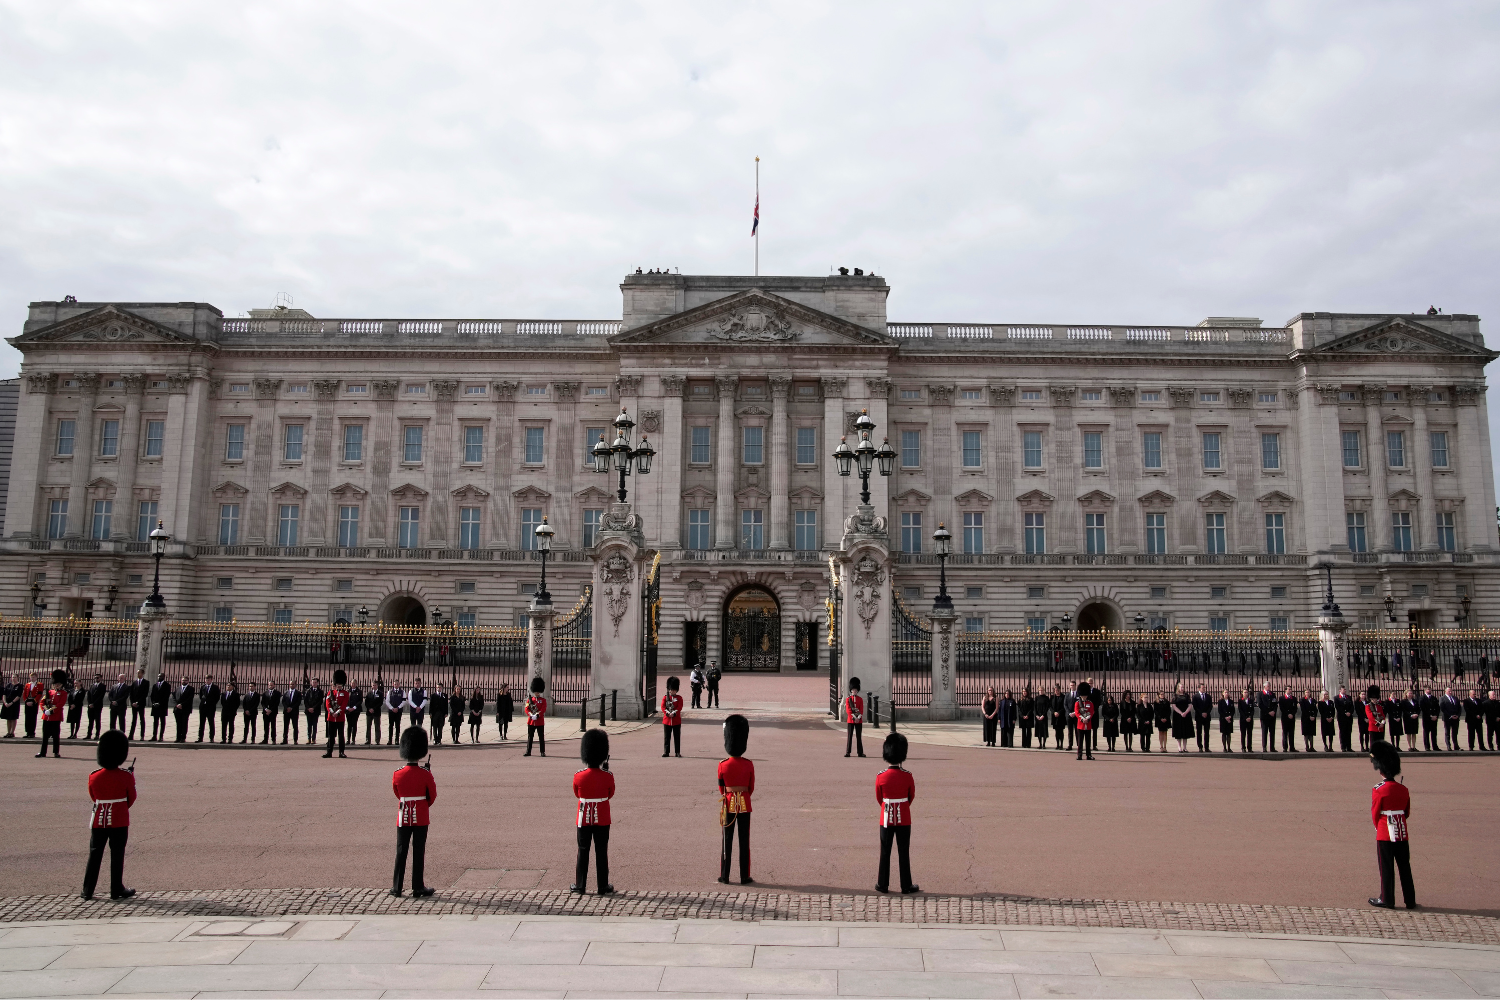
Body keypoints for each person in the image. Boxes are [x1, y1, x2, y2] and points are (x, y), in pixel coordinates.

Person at [82, 730, 136, 900]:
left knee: (95, 853)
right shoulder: (126, 777)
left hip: (99, 820)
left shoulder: (94, 776)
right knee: (117, 854)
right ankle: (116, 889)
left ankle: (87, 890)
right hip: (119, 819)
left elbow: (93, 796)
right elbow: (131, 798)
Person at [1368, 740, 1416, 910]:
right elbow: (1406, 812)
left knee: (1386, 867)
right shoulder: (1403, 789)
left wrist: (1378, 827)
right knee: (1404, 866)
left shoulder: (1379, 789)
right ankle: (1410, 900)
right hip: (1402, 831)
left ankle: (1387, 899)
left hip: (1384, 832)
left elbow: (1375, 813)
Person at [391, 726, 436, 898]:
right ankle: (417, 887)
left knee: (401, 850)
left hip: (403, 815)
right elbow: (432, 795)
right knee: (418, 851)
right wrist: (423, 805)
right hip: (421, 815)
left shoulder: (397, 774)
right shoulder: (425, 774)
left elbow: (397, 793)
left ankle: (397, 887)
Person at [572, 728, 616, 895]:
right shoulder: (608, 776)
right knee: (601, 851)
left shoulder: (579, 776)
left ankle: (580, 885)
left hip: (583, 818)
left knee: (583, 850)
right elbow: (610, 794)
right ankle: (602, 886)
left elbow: (577, 793)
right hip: (603, 818)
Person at [875, 731, 919, 894]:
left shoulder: (881, 776)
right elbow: (910, 797)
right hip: (904, 818)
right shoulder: (907, 776)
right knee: (903, 851)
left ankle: (882, 884)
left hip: (885, 817)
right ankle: (906, 885)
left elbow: (879, 798)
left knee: (885, 851)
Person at [718, 714, 754, 884]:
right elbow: (751, 787)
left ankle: (725, 875)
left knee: (727, 840)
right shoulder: (748, 764)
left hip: (729, 803)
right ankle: (744, 875)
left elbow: (721, 787)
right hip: (745, 804)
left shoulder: (723, 765)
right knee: (744, 840)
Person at [36, 671, 67, 758]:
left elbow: (60, 704)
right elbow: (42, 702)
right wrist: (45, 710)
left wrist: (51, 711)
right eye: (56, 683)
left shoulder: (64, 693)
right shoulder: (49, 692)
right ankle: (43, 752)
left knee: (55, 736)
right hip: (46, 717)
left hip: (56, 717)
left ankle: (56, 752)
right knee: (45, 736)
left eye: (59, 683)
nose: (57, 685)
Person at [323, 669, 349, 759]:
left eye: (340, 684)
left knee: (341, 736)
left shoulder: (345, 693)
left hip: (339, 717)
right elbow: (327, 703)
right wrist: (331, 711)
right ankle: (329, 752)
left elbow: (344, 705)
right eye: (337, 684)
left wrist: (337, 713)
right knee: (331, 736)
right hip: (331, 717)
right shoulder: (331, 692)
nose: (338, 686)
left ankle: (341, 752)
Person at [1071, 681, 1096, 761]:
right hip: (1080, 724)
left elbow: (1091, 712)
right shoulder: (1077, 703)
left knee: (1088, 741)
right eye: (1083, 695)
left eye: (1085, 695)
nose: (1084, 697)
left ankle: (1088, 755)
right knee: (1080, 741)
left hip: (1088, 724)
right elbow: (1077, 712)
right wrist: (1082, 719)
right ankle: (1079, 755)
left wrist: (1087, 718)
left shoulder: (1090, 703)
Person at [523, 676, 547, 757]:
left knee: (541, 738)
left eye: (538, 692)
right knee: (530, 737)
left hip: (539, 721)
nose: (537, 693)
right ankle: (528, 751)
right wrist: (530, 714)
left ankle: (542, 752)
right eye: (536, 691)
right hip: (531, 721)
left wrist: (537, 715)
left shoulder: (543, 700)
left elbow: (543, 709)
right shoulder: (530, 700)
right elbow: (526, 708)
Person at [661, 675, 683, 757]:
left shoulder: (679, 698)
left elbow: (679, 707)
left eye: (673, 690)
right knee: (667, 737)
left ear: (676, 690)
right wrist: (667, 713)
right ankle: (666, 752)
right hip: (667, 720)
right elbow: (663, 707)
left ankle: (677, 752)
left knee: (677, 737)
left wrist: (673, 713)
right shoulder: (665, 697)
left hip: (676, 720)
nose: (672, 691)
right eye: (671, 690)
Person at [844, 678, 866, 757]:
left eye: (856, 690)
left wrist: (858, 718)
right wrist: (854, 718)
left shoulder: (860, 699)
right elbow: (848, 710)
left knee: (859, 737)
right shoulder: (848, 699)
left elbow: (861, 709)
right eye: (853, 690)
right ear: (851, 690)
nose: (854, 691)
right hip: (851, 720)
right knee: (849, 737)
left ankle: (860, 752)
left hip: (858, 720)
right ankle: (848, 752)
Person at [194, 675, 219, 743]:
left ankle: (211, 738)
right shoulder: (203, 687)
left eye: (208, 680)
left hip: (210, 707)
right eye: (206, 680)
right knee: (202, 723)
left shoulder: (215, 687)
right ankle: (200, 737)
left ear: (211, 680)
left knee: (211, 722)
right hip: (203, 707)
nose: (207, 681)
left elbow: (217, 697)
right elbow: (200, 695)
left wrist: (212, 703)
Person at [1170, 684, 1193, 753]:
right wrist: (1181, 713)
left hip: (1186, 715)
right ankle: (1179, 747)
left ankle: (1185, 747)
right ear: (1178, 688)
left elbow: (1190, 705)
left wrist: (1185, 712)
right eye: (1181, 687)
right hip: (1178, 715)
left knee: (1185, 730)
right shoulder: (1175, 696)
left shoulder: (1186, 695)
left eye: (1183, 687)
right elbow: (1174, 706)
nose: (1182, 688)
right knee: (1179, 731)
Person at [128, 668, 149, 741]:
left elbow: (145, 694)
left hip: (141, 704)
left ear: (142, 673)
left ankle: (142, 735)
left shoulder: (146, 682)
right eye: (137, 673)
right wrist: (133, 702)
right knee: (134, 720)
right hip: (134, 704)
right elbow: (131, 694)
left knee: (141, 719)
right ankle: (131, 735)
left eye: (139, 673)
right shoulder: (134, 682)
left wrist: (138, 702)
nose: (138, 674)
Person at [172, 676, 195, 743]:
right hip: (177, 709)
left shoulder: (191, 689)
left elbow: (190, 698)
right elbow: (174, 697)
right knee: (178, 724)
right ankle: (178, 737)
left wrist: (182, 704)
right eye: (182, 680)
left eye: (185, 680)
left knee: (184, 723)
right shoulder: (178, 688)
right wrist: (177, 705)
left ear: (188, 681)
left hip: (185, 709)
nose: (183, 681)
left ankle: (183, 737)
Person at [87, 674, 109, 740]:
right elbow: (88, 695)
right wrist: (90, 703)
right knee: (90, 721)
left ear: (101, 678)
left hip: (97, 706)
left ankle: (97, 735)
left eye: (98, 678)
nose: (96, 679)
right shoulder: (92, 685)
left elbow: (101, 696)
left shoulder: (103, 686)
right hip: (90, 706)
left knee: (97, 720)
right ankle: (89, 734)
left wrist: (94, 704)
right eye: (95, 678)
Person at [1191, 683, 1212, 753]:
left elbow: (1210, 706)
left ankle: (1207, 747)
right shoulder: (1195, 696)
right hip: (1199, 717)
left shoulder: (1208, 696)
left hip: (1207, 716)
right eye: (1202, 688)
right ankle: (1200, 746)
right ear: (1199, 688)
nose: (1204, 689)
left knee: (1207, 732)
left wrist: (1206, 712)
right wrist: (1201, 713)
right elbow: (1195, 706)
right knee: (1199, 732)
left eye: (1204, 688)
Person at [1256, 683, 1277, 753]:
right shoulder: (1260, 694)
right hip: (1264, 716)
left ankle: (1272, 747)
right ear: (1264, 686)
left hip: (1272, 716)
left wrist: (1273, 711)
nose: (1269, 687)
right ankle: (1264, 747)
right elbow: (1260, 704)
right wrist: (1268, 712)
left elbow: (1275, 703)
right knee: (1264, 732)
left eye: (1270, 686)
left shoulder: (1272, 694)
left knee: (1272, 732)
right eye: (1268, 686)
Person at [149, 672, 169, 741]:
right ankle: (154, 736)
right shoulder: (155, 685)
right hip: (155, 706)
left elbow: (166, 696)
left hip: (162, 706)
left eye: (160, 676)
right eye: (158, 676)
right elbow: (152, 695)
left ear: (163, 677)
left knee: (162, 721)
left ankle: (161, 736)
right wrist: (154, 703)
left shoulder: (167, 685)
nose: (159, 678)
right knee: (155, 721)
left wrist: (159, 703)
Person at [21, 671, 42, 739]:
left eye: (33, 677)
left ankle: (32, 732)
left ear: (36, 677)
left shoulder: (40, 684)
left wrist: (34, 701)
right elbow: (24, 694)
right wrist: (26, 701)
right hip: (28, 701)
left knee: (33, 717)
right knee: (27, 717)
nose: (32, 678)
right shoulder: (27, 684)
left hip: (34, 701)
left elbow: (39, 694)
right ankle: (27, 732)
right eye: (31, 677)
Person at [1336, 685, 1356, 752]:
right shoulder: (1337, 698)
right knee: (1342, 732)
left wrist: (1350, 712)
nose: (1345, 690)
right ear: (1340, 690)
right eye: (1343, 689)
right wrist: (1345, 713)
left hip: (1349, 717)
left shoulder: (1349, 697)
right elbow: (1338, 707)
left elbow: (1352, 706)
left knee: (1349, 732)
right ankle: (1343, 747)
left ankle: (1349, 747)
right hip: (1342, 717)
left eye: (1345, 689)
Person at [1419, 686, 1440, 752]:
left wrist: (1436, 716)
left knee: (1434, 732)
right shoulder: (1422, 698)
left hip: (1434, 718)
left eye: (1430, 689)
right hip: (1427, 718)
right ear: (1425, 690)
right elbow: (1423, 708)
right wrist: (1430, 716)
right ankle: (1427, 746)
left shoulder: (1434, 698)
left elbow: (1437, 708)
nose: (1429, 690)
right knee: (1426, 732)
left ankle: (1435, 746)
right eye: (1428, 689)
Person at [1277, 686, 1298, 752]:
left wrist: (1292, 714)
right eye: (1289, 689)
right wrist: (1288, 714)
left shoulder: (1294, 698)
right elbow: (1282, 708)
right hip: (1285, 717)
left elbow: (1295, 708)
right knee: (1285, 732)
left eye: (1291, 689)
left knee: (1291, 732)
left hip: (1292, 717)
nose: (1290, 690)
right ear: (1285, 690)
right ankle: (1285, 747)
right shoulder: (1282, 698)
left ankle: (1292, 747)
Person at [1440, 687, 1461, 751]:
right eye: (1449, 691)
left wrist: (1457, 715)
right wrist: (1450, 715)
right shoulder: (1442, 698)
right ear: (1445, 691)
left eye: (1451, 691)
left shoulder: (1455, 698)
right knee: (1447, 732)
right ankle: (1448, 746)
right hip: (1447, 718)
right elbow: (1442, 708)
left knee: (1455, 732)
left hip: (1455, 718)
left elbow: (1459, 708)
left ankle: (1456, 745)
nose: (1450, 692)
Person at [305, 676, 324, 745]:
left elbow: (320, 701)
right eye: (313, 682)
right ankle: (308, 738)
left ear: (317, 683)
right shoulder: (308, 690)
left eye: (315, 682)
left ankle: (313, 739)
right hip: (308, 711)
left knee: (314, 725)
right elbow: (305, 700)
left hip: (315, 711)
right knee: (309, 725)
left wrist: (313, 708)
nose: (314, 684)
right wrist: (308, 708)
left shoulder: (320, 691)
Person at [1401, 688, 1420, 752]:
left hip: (1415, 718)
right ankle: (1409, 746)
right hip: (1408, 718)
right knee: (1408, 733)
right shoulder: (1403, 701)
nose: (1410, 694)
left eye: (1411, 693)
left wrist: (1417, 714)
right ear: (1406, 694)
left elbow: (1418, 708)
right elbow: (1404, 710)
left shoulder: (1415, 701)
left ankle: (1414, 746)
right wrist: (1411, 715)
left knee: (1414, 733)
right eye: (1409, 693)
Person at [1, 672, 20, 738]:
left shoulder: (19, 686)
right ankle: (8, 732)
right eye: (12, 677)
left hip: (14, 704)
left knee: (13, 718)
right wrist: (5, 702)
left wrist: (12, 703)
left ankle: (12, 732)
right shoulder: (8, 685)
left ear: (17, 678)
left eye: (15, 677)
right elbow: (4, 694)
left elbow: (18, 696)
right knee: (8, 718)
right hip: (7, 703)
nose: (13, 678)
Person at [1299, 688, 1318, 753]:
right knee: (1306, 733)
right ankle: (1307, 746)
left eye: (1308, 692)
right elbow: (1303, 710)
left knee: (1311, 733)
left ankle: (1312, 746)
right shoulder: (1302, 700)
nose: (1307, 693)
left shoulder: (1313, 700)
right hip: (1305, 718)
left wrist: (1314, 716)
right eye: (1306, 692)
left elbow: (1315, 709)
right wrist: (1309, 716)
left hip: (1312, 718)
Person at [1217, 689, 1234, 753]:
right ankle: (1224, 747)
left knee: (1229, 733)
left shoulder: (1231, 701)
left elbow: (1233, 710)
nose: (1226, 693)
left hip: (1229, 719)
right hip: (1223, 719)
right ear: (1223, 694)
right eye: (1225, 692)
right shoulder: (1220, 701)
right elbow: (1220, 710)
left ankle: (1229, 747)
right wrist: (1225, 717)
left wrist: (1230, 716)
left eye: (1227, 692)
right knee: (1224, 733)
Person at [346, 680, 362, 745]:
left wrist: (354, 707)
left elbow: (360, 700)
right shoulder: (347, 691)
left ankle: (353, 739)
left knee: (354, 724)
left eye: (354, 683)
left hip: (356, 710)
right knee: (349, 725)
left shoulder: (359, 691)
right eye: (352, 683)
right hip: (348, 710)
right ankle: (348, 739)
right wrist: (347, 708)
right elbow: (345, 700)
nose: (353, 685)